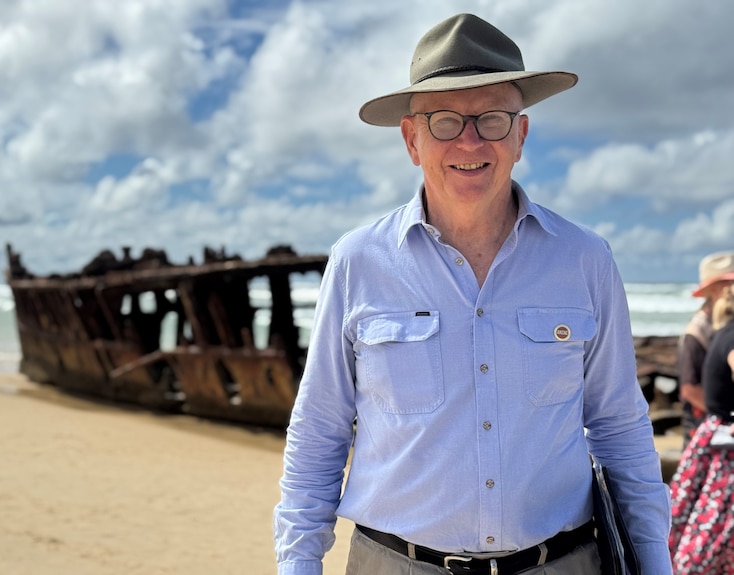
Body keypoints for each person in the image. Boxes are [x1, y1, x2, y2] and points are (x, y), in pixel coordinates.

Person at [274, 13, 673, 575]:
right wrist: (297, 566)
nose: (469, 140)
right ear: (412, 139)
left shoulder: (585, 259)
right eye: (443, 121)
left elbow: (619, 424)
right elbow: (320, 430)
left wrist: (656, 564)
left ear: (520, 135)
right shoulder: (357, 262)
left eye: (491, 119)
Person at [669, 285, 734, 572]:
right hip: (726, 449)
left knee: (688, 527)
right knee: (709, 540)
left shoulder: (724, 331)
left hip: (713, 437)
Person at [677, 251, 734, 446]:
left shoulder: (723, 326)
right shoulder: (698, 330)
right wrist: (723, 415)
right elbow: (689, 389)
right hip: (704, 431)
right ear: (716, 289)